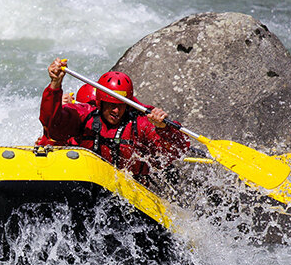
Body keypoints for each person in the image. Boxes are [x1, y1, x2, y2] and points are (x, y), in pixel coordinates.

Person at [39, 58, 189, 181]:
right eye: (111, 105)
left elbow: (177, 150)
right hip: (88, 179)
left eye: (120, 105)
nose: (116, 111)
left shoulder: (140, 123)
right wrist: (55, 86)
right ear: (100, 102)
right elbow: (53, 125)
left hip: (131, 191)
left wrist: (163, 128)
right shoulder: (85, 115)